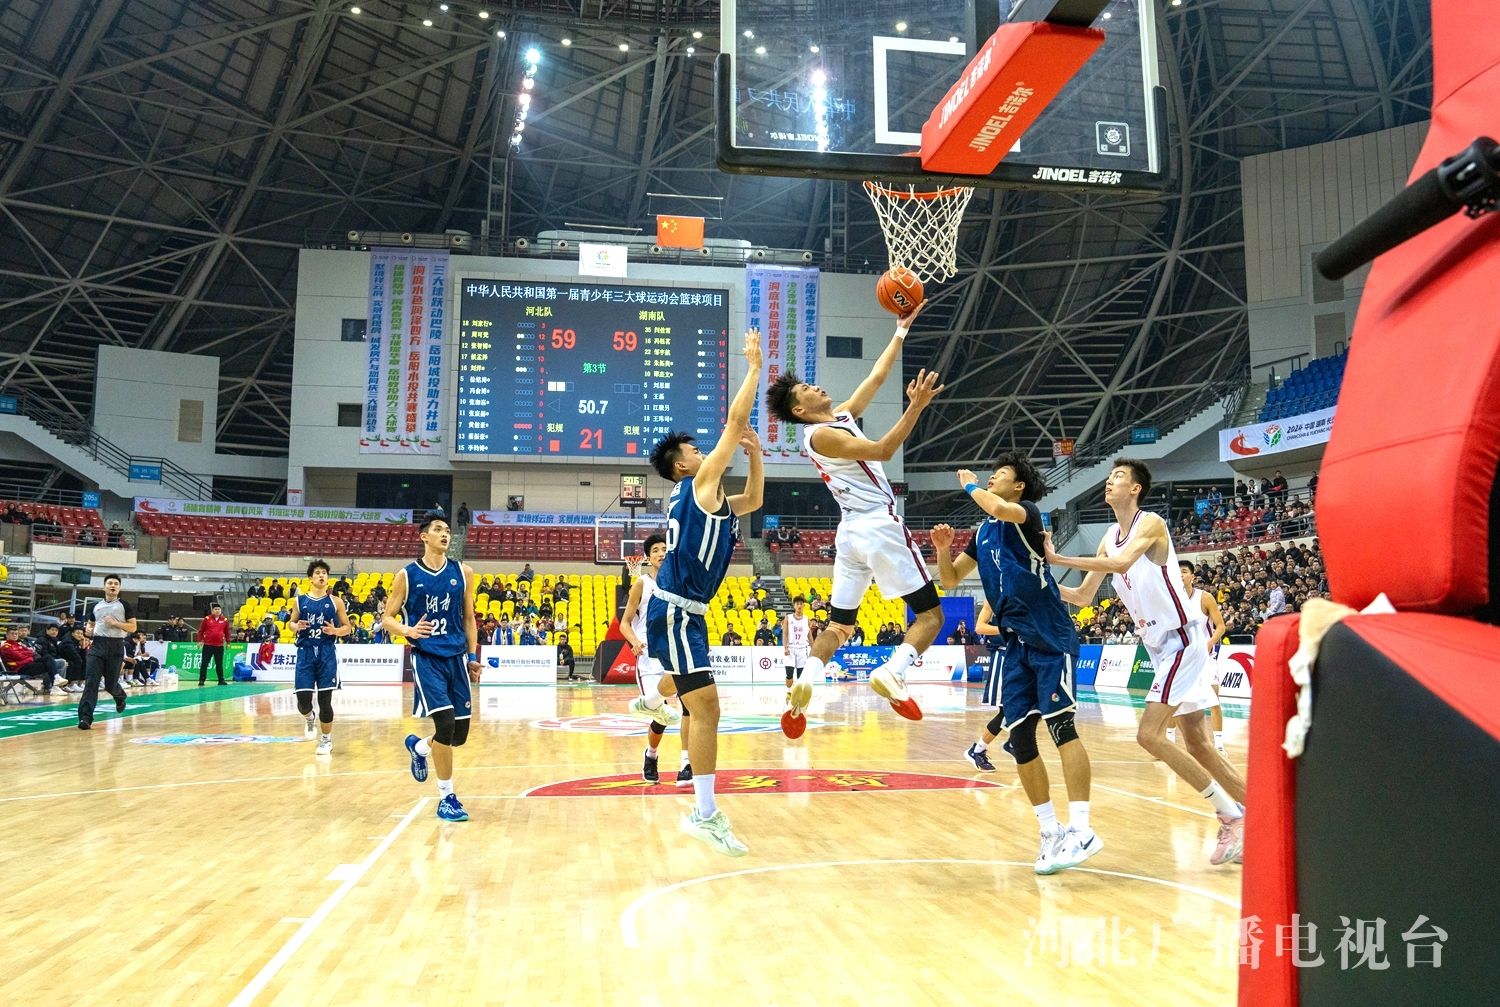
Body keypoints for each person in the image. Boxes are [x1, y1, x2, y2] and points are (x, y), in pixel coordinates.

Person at [1046, 458, 1246, 866]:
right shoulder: (1107, 537)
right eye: (1109, 477)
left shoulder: (1150, 523)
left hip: (1182, 640)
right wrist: (1042, 586)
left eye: (1118, 476)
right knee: (1198, 744)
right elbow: (1084, 596)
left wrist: (1058, 559)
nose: (1110, 482)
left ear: (1135, 488)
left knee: (1149, 736)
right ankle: (1264, 816)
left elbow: (1121, 565)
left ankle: (1231, 816)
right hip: (1159, 648)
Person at [764, 302, 945, 729]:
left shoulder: (838, 416)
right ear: (800, 411)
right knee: (930, 616)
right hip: (878, 526)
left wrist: (900, 331)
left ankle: (807, 678)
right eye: (807, 388)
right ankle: (893, 672)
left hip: (850, 536)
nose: (816, 387)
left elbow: (875, 377)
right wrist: (917, 406)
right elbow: (883, 450)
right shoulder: (822, 435)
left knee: (840, 625)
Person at [931, 452, 1101, 874]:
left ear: (1019, 486)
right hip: (1015, 643)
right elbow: (950, 580)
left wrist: (969, 483)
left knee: (1061, 727)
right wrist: (942, 550)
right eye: (988, 476)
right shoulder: (984, 532)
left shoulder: (1024, 513)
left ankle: (1082, 828)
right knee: (1021, 739)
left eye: (999, 475)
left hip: (1048, 635)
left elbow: (995, 505)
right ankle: (1050, 831)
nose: (990, 479)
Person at [636, 328, 764, 856]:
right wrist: (754, 367)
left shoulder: (711, 500)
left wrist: (755, 452)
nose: (702, 449)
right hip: (678, 608)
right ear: (684, 465)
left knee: (701, 705)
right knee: (708, 711)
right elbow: (734, 422)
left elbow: (753, 499)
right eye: (694, 448)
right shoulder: (697, 485)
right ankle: (705, 813)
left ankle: (655, 698)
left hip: (685, 610)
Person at [385, 510, 481, 822]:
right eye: (438, 529)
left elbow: (469, 618)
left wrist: (471, 657)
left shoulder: (463, 572)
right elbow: (387, 618)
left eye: (447, 530)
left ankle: (420, 748)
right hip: (427, 659)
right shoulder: (407, 575)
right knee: (446, 726)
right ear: (423, 536)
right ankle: (447, 797)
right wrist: (407, 631)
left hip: (456, 658)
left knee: (459, 736)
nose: (445, 534)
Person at [621, 534, 690, 786]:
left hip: (672, 653)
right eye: (656, 550)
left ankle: (686, 763)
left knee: (687, 708)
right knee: (659, 716)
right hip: (649, 658)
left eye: (664, 549)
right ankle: (651, 755)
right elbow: (625, 623)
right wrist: (634, 642)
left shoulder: (677, 583)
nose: (661, 553)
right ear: (648, 557)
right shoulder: (642, 583)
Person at [292, 560, 352, 755]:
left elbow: (347, 628)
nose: (321, 575)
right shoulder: (300, 600)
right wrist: (296, 626)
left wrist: (335, 630)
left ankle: (326, 740)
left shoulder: (336, 601)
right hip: (305, 653)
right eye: (317, 572)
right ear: (310, 578)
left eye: (324, 573)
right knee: (304, 700)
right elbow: (290, 624)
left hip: (326, 653)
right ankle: (309, 718)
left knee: (325, 700)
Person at [1177, 561, 1229, 755]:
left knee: (1214, 700)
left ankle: (1220, 745)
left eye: (1184, 572)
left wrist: (1209, 643)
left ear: (1192, 576)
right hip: (1184, 658)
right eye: (1178, 573)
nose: (1181, 575)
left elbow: (1221, 626)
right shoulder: (1172, 600)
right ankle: (1170, 738)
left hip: (1206, 658)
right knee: (1175, 701)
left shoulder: (1205, 597)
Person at [78, 574, 134, 729]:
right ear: (104, 587)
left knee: (110, 684)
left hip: (116, 645)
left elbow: (133, 627)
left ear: (119, 588)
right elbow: (90, 624)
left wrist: (115, 623)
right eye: (109, 583)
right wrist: (88, 630)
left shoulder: (124, 605)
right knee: (91, 682)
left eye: (116, 583)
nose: (112, 586)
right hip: (97, 645)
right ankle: (85, 718)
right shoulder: (96, 606)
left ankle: (120, 696)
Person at [962, 600, 1005, 772]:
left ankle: (1015, 742)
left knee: (1035, 708)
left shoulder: (1028, 590)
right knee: (1007, 711)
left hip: (1025, 656)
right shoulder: (994, 594)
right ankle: (977, 750)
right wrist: (1008, 630)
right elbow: (980, 627)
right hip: (1004, 655)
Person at [2, 626, 57, 696]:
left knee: (48, 658)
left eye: (16, 634)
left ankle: (56, 680)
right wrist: (30, 658)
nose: (14, 635)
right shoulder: (6, 647)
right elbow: (20, 656)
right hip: (19, 668)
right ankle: (54, 685)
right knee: (50, 666)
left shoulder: (19, 644)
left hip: (27, 665)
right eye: (12, 634)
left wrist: (27, 654)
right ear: (7, 635)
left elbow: (32, 652)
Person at [781, 596, 812, 713]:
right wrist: (785, 647)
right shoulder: (788, 618)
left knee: (800, 677)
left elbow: (810, 636)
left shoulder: (806, 619)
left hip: (802, 649)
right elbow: (784, 633)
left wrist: (813, 649)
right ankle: (789, 691)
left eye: (801, 604)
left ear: (804, 606)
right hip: (791, 648)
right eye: (797, 604)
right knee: (789, 675)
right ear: (794, 606)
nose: (799, 605)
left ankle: (797, 696)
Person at [196, 602, 229, 686]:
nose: (217, 611)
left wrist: (228, 642)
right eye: (215, 609)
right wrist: (199, 641)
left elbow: (227, 632)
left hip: (219, 646)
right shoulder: (207, 619)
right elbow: (201, 630)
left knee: (219, 664)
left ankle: (221, 680)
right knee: (204, 663)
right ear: (212, 610)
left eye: (218, 609)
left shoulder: (224, 620)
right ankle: (202, 680)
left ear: (221, 610)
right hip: (208, 645)